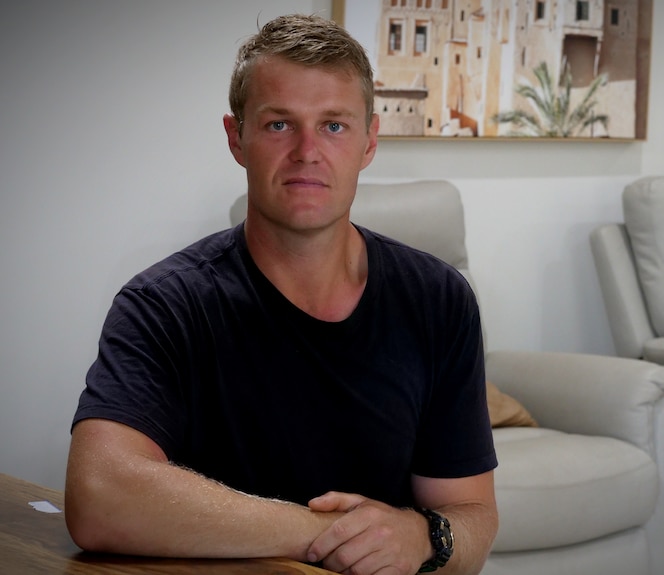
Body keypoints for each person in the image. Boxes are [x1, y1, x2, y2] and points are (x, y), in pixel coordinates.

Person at [64, 13, 498, 575]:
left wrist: (423, 536)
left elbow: (472, 519)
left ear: (370, 141)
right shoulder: (163, 304)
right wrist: (323, 533)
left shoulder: (440, 300)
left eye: (334, 126)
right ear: (235, 137)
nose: (307, 151)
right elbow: (98, 498)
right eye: (278, 125)